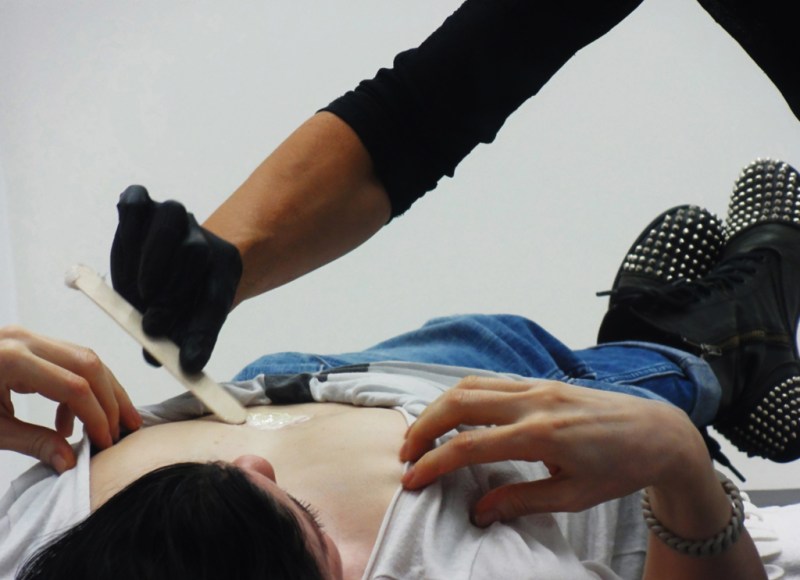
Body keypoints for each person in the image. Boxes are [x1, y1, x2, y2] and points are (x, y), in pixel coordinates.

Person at [4, 190, 796, 579]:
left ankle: (674, 341)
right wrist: (677, 462)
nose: (249, 466)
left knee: (522, 344)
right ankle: (721, 352)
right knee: (665, 378)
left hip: (351, 370)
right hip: (569, 432)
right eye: (304, 526)